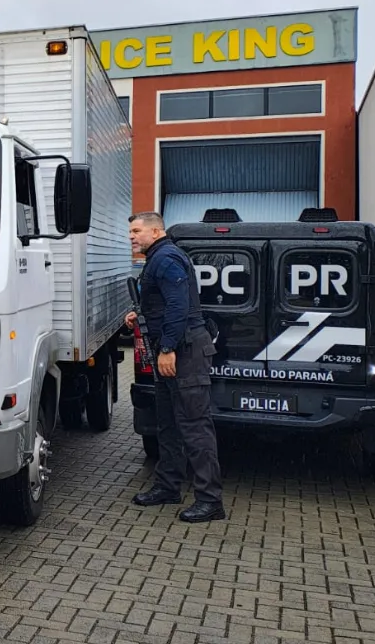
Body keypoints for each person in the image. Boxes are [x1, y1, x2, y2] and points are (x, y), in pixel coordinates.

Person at [124, 211, 226, 523]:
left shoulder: (166, 258)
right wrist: (140, 315)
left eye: (137, 231)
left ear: (156, 232)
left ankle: (210, 501)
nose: (131, 237)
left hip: (184, 352)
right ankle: (168, 486)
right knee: (167, 424)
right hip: (170, 351)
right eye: (131, 232)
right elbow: (163, 303)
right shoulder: (157, 258)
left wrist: (168, 348)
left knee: (195, 427)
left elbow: (179, 306)